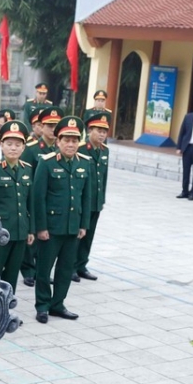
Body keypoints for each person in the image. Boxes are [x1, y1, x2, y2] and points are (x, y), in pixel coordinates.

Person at [33, 116, 91, 324]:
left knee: (66, 269)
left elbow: (87, 197)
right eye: (66, 140)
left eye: (75, 140)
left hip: (72, 228)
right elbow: (38, 197)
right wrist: (40, 227)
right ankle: (42, 305)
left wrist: (83, 224)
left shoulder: (85, 164)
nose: (70, 144)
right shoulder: (46, 163)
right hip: (51, 227)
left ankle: (58, 304)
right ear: (58, 141)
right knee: (44, 268)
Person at [0, 120, 35, 293]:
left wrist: (30, 230)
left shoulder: (27, 169)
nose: (13, 148)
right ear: (1, 145)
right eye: (9, 144)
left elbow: (29, 203)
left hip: (19, 231)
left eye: (18, 144)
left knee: (12, 274)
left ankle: (7, 309)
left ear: (24, 147)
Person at [19, 107, 61, 287]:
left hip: (50, 199)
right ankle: (28, 269)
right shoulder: (32, 149)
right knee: (32, 235)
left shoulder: (59, 149)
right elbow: (24, 172)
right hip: (32, 197)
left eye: (55, 126)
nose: (52, 129)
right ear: (41, 127)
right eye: (49, 126)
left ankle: (41, 270)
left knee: (46, 236)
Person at [74, 111, 111, 282]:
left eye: (105, 131)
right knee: (77, 235)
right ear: (90, 131)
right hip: (82, 201)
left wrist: (101, 199)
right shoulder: (80, 149)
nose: (102, 134)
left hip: (95, 202)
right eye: (99, 131)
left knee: (89, 235)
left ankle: (82, 265)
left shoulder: (105, 151)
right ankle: (71, 266)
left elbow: (104, 177)